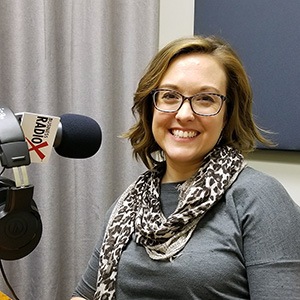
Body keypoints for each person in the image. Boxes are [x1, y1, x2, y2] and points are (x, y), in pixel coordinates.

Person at [71, 35, 300, 300]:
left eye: (205, 99)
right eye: (169, 96)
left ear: (227, 115)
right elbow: (85, 296)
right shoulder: (128, 205)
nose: (184, 114)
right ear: (150, 107)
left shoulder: (260, 199)